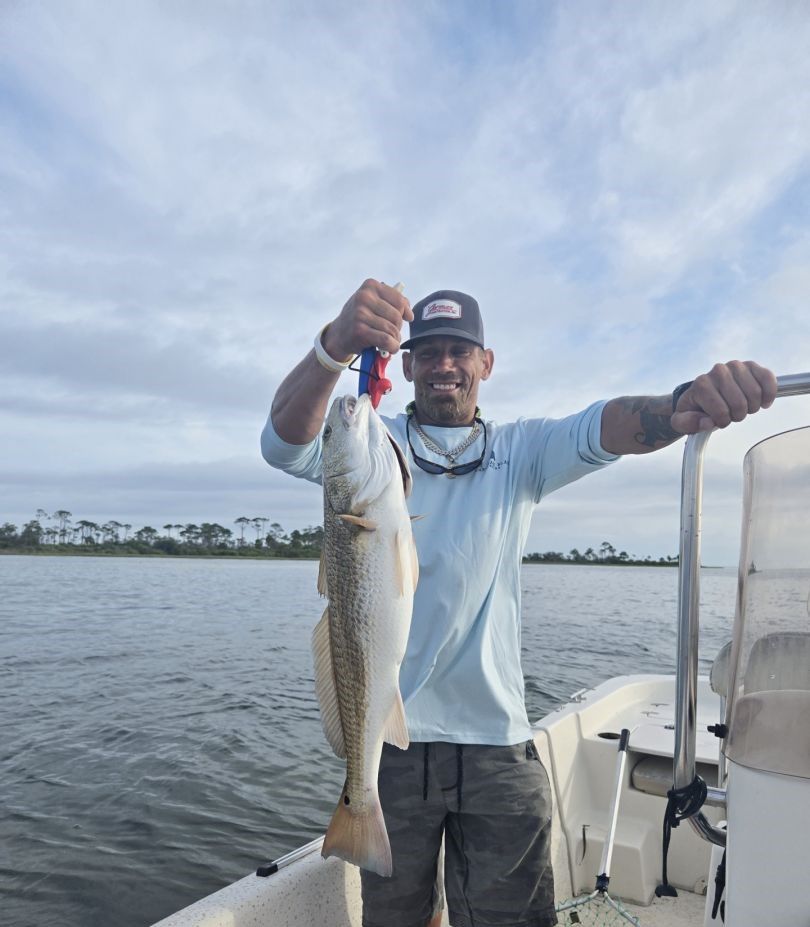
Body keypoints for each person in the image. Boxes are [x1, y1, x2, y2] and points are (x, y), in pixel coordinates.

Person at [261, 279, 777, 927]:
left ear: (485, 362)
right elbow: (283, 441)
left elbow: (606, 425)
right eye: (427, 353)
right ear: (409, 365)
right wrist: (333, 346)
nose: (443, 365)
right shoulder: (372, 442)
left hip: (497, 743)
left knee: (514, 915)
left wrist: (682, 404)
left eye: (458, 350)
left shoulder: (520, 451)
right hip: (392, 744)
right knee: (394, 916)